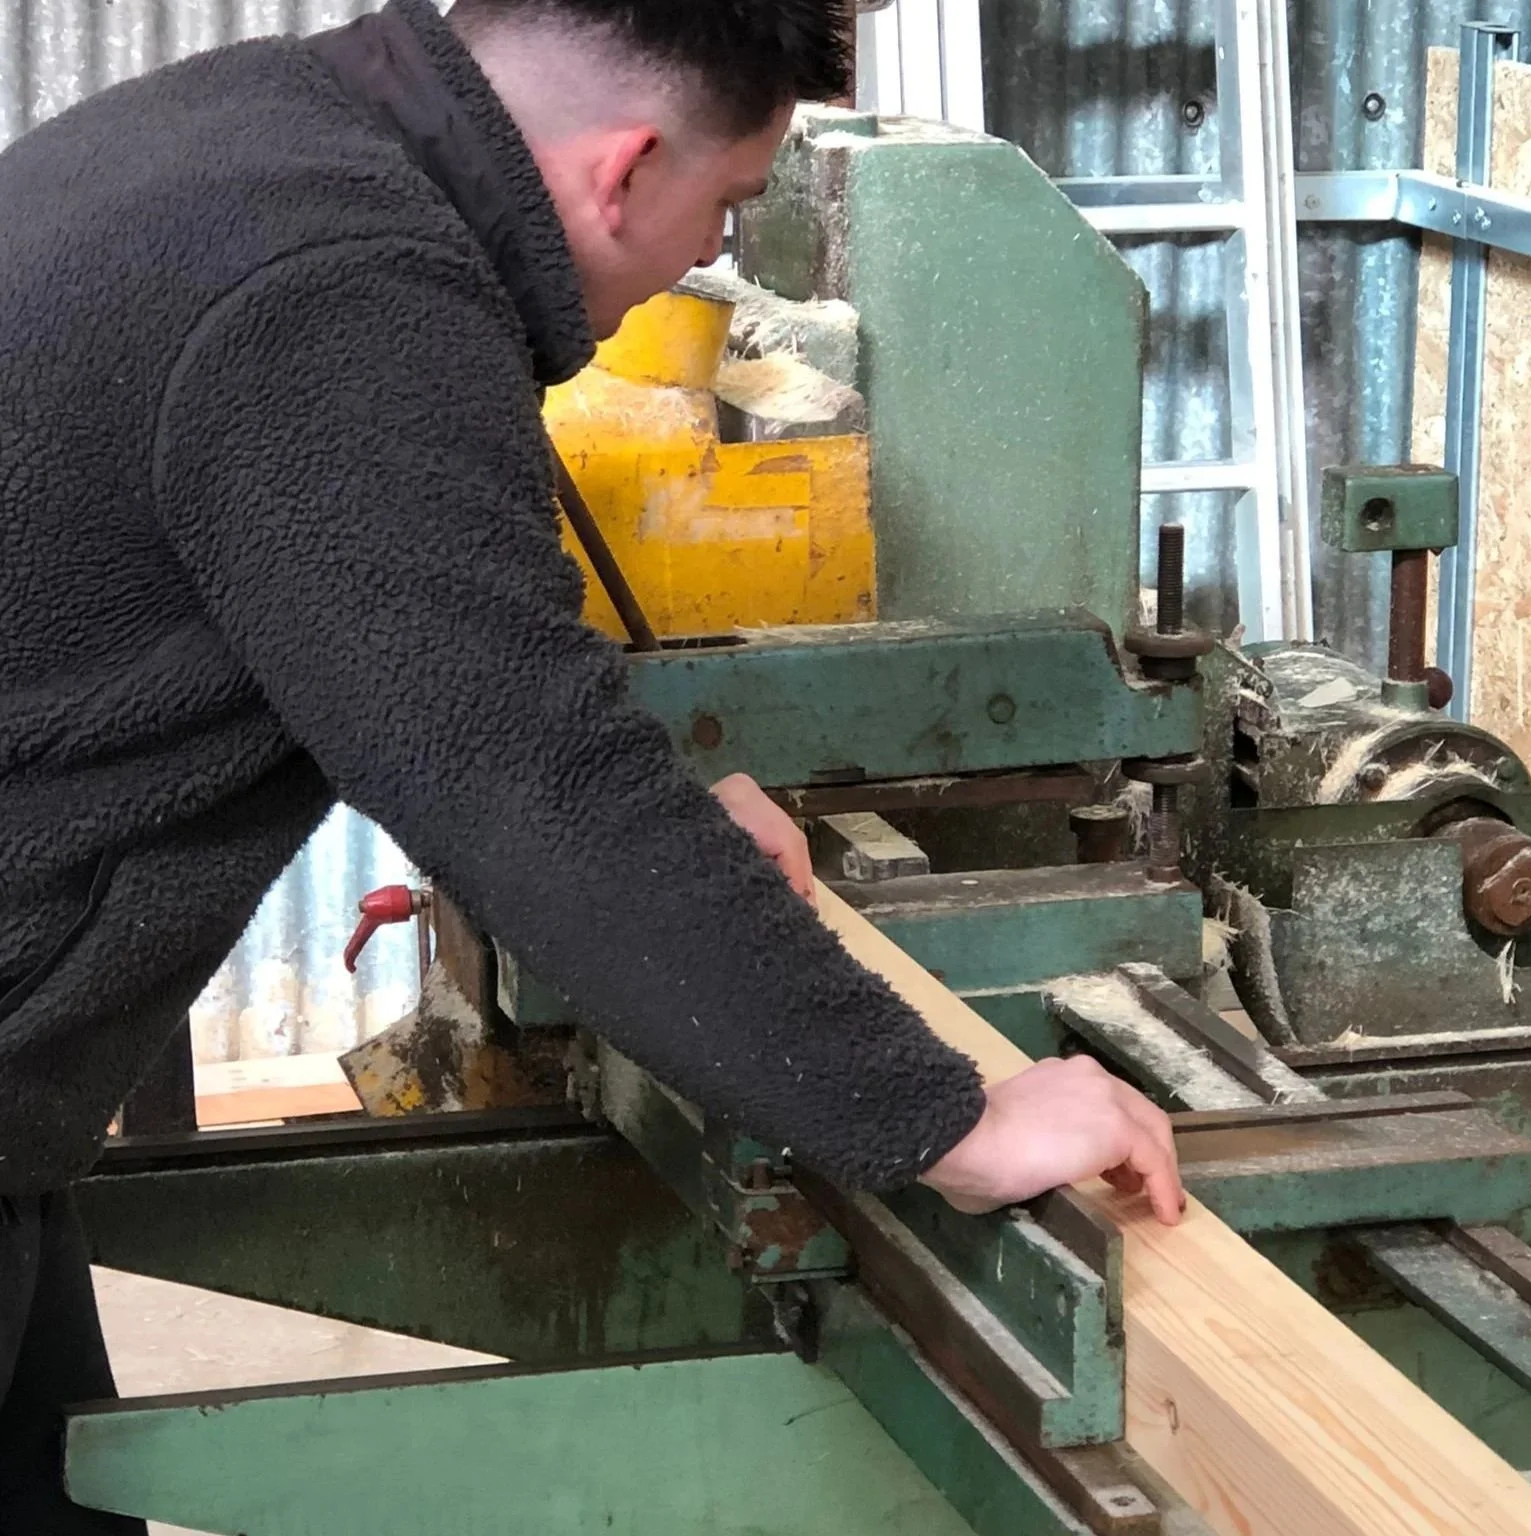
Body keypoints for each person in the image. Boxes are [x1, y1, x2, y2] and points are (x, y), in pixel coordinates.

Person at [0, 0, 1183, 1526]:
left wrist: (661, 831)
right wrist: (951, 1116)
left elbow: (416, 658)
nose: (704, 258)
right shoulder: (349, 292)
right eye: (726, 208)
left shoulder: (263, 135)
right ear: (625, 169)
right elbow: (524, 776)